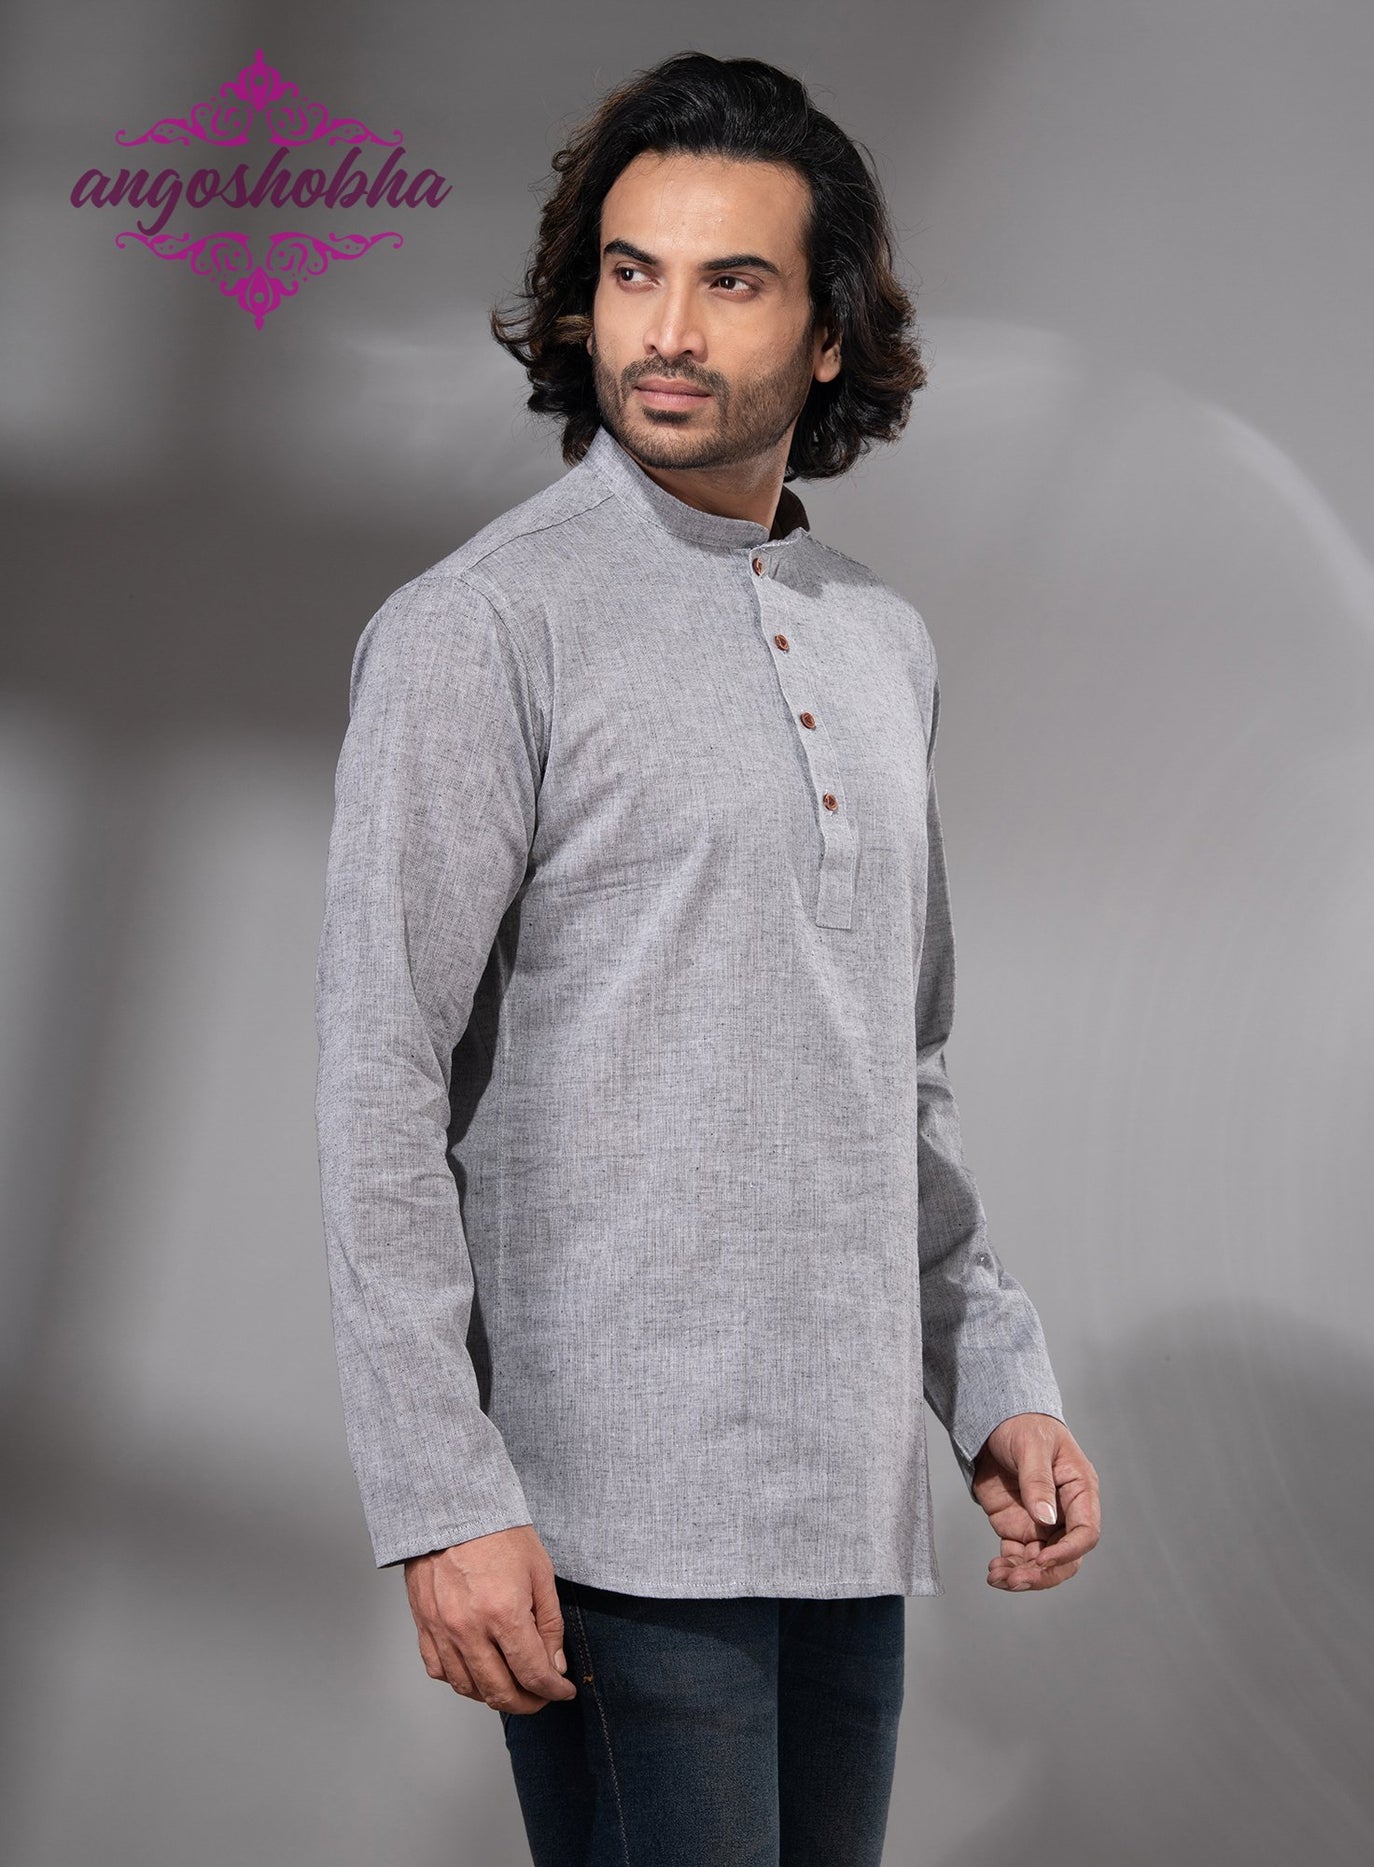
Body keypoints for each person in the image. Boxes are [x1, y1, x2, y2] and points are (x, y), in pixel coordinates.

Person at [314, 49, 1101, 1867]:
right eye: (631, 271)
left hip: (844, 1512)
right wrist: (442, 1496)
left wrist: (995, 1378)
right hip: (610, 1519)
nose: (664, 330)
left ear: (828, 335)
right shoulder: (481, 629)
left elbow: (893, 1069)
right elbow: (378, 1083)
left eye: (730, 280)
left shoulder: (879, 643)